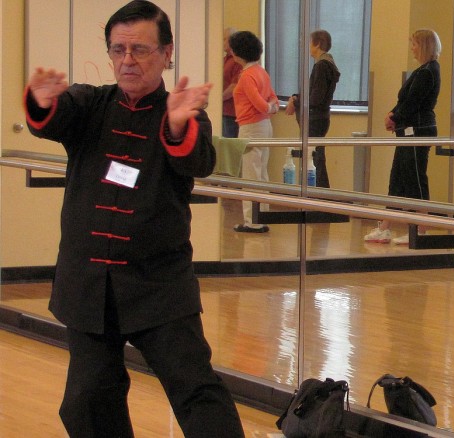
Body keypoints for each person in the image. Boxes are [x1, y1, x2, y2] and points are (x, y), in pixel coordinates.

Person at [22, 1, 246, 436]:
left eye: (140, 49)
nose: (127, 60)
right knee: (86, 402)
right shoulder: (91, 104)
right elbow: (54, 117)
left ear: (167, 53)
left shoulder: (184, 113)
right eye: (118, 49)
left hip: (157, 284)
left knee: (197, 393)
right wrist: (41, 100)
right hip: (88, 285)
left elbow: (198, 161)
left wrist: (178, 125)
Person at [364, 29, 442, 245]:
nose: (412, 48)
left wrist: (396, 117)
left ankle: (421, 227)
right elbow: (405, 101)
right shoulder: (421, 70)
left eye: (415, 44)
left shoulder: (428, 71)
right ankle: (385, 226)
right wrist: (394, 115)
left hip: (418, 130)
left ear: (424, 45)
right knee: (397, 178)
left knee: (414, 178)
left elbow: (413, 102)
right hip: (407, 129)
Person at [229, 30, 278, 233]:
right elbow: (273, 99)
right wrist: (271, 108)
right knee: (261, 173)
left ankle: (253, 221)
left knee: (250, 175)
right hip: (265, 126)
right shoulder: (261, 71)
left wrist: (268, 108)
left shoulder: (248, 75)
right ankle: (262, 216)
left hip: (251, 127)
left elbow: (260, 104)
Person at [285, 29, 341, 188]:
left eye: (310, 43)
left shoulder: (321, 67)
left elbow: (315, 98)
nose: (308, 47)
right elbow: (312, 93)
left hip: (315, 119)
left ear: (317, 44)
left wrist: (296, 102)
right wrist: (296, 97)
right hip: (320, 118)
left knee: (314, 158)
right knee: (316, 157)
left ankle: (320, 195)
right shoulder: (325, 65)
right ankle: (321, 194)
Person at [222, 27, 242, 138]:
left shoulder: (237, 61)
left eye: (225, 39)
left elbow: (234, 86)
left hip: (232, 113)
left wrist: (218, 99)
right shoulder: (226, 59)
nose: (223, 42)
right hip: (224, 111)